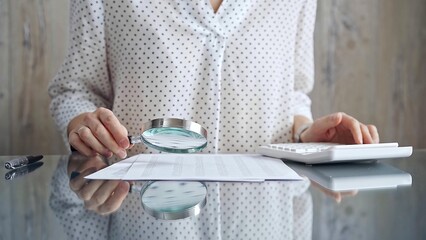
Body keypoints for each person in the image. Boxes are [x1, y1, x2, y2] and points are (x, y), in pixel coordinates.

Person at [48, 0, 379, 239]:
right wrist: (81, 123)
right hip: (142, 216)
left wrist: (306, 135)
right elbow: (76, 90)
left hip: (265, 222)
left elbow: (291, 91)